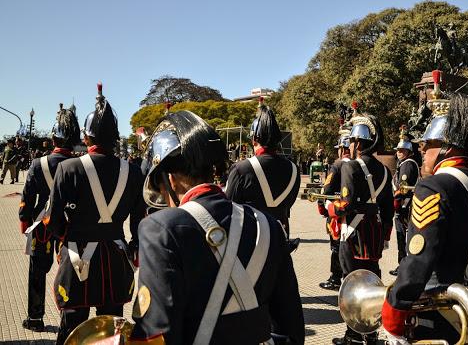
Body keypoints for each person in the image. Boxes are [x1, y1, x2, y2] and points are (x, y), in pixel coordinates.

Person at [129, 110, 304, 344]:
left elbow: (156, 335)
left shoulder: (159, 228)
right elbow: (291, 330)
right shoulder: (270, 226)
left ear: (170, 179)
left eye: (160, 186)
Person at [381, 74, 468, 345]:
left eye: (428, 143)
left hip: (439, 314)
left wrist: (395, 309)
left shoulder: (434, 186)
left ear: (446, 147)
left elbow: (419, 260)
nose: (421, 148)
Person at [47, 84, 146, 344]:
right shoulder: (133, 171)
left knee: (71, 330)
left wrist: (63, 241)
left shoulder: (69, 169)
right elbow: (139, 219)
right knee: (111, 332)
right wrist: (134, 248)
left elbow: (53, 219)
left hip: (77, 254)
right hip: (116, 259)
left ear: (87, 137)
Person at [327, 107, 393, 345]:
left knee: (351, 282)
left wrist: (330, 208)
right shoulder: (385, 171)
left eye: (353, 140)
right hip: (374, 234)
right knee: (372, 281)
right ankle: (372, 333)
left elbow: (345, 204)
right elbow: (388, 210)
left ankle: (354, 335)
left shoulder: (350, 167)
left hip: (353, 232)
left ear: (358, 142)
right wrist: (385, 236)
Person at [19, 106, 80, 331]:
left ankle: (35, 318)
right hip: (69, 226)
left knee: (37, 271)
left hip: (41, 226)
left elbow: (27, 198)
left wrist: (25, 222)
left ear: (53, 137)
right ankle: (70, 318)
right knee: (69, 272)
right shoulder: (78, 166)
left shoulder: (38, 164)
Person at [225, 98, 300, 238]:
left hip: (250, 244)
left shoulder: (240, 168)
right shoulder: (294, 169)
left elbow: (228, 209)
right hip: (280, 241)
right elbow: (288, 205)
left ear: (254, 139)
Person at [316, 125, 351, 291]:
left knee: (336, 247)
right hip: (355, 215)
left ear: (342, 149)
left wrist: (322, 207)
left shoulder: (337, 166)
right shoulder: (358, 165)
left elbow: (327, 190)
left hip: (336, 213)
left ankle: (335, 277)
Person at [389, 126, 420, 276]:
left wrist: (397, 203)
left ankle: (403, 265)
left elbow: (403, 188)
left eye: (401, 150)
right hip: (404, 205)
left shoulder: (408, 164)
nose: (398, 152)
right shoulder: (404, 163)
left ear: (408, 152)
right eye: (398, 150)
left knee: (403, 237)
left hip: (404, 206)